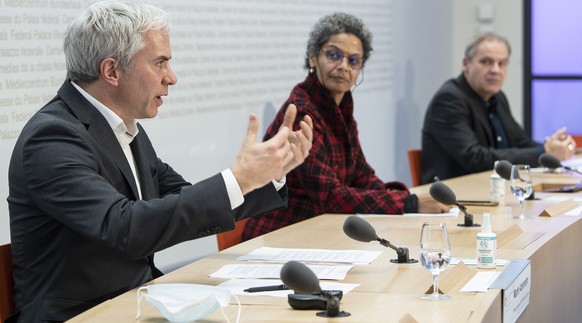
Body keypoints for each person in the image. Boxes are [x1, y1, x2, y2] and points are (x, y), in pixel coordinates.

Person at [6, 2, 313, 322]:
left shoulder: (122, 128)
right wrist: (240, 177)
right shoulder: (52, 138)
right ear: (111, 71)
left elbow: (184, 203)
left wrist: (267, 174)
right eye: (160, 63)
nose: (172, 78)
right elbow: (123, 226)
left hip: (133, 303)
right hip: (81, 314)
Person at [242, 12, 445, 241]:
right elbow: (328, 196)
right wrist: (408, 202)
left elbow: (361, 175)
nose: (343, 67)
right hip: (281, 237)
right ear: (312, 58)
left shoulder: (341, 107)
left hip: (319, 231)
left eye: (353, 60)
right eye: (333, 55)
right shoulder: (303, 112)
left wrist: (398, 196)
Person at [421, 32, 576, 184]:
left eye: (501, 63)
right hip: (454, 198)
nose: (495, 70)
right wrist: (543, 152)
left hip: (493, 191)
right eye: (486, 62)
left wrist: (552, 147)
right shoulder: (449, 100)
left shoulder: (497, 98)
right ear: (465, 64)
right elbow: (476, 158)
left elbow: (521, 142)